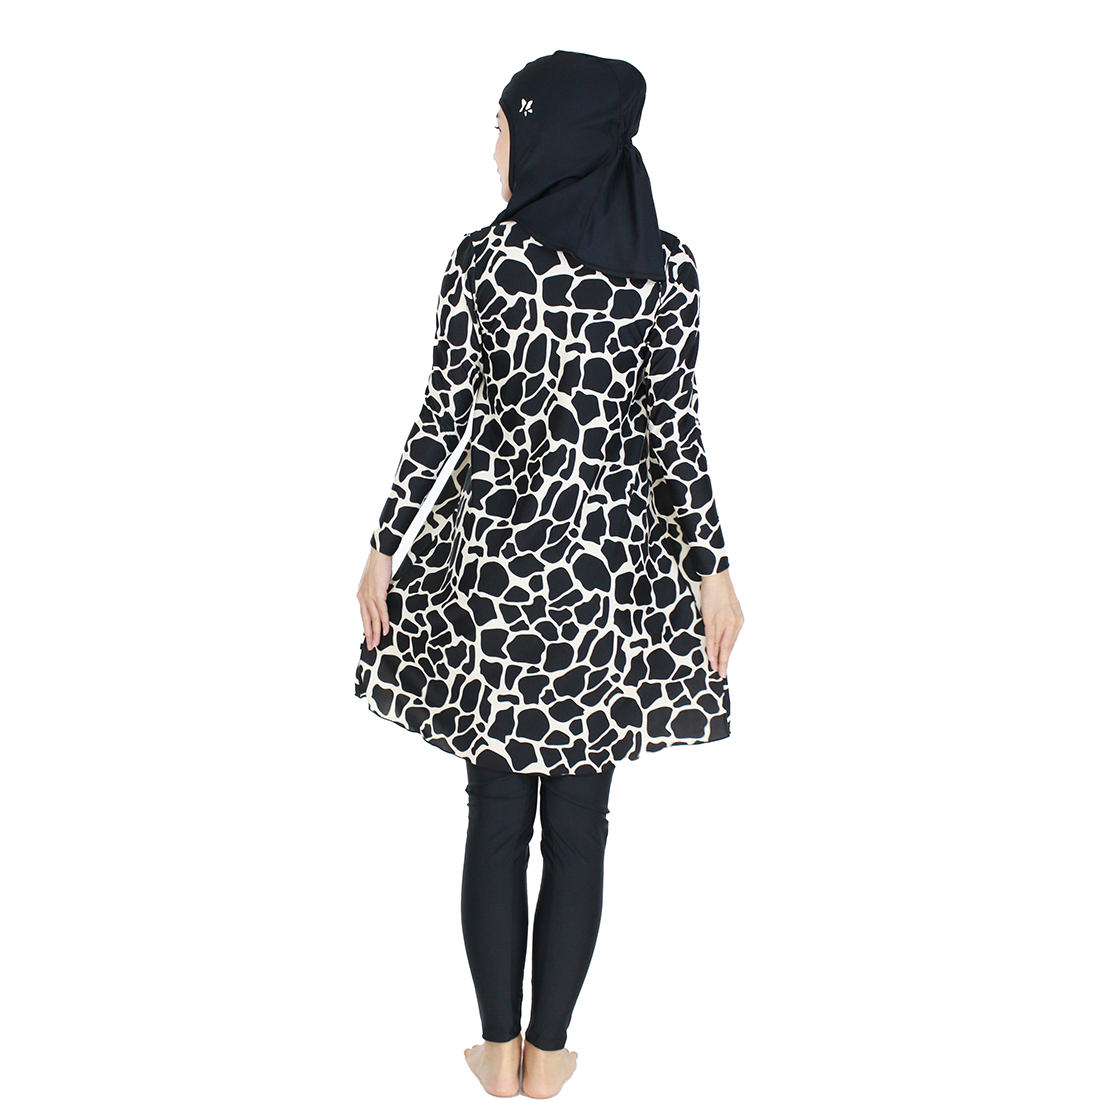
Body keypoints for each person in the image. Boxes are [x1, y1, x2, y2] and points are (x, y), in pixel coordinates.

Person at [355, 50, 744, 1099]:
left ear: (551, 131)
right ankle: (549, 1052)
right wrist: (710, 568)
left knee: (496, 814)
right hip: (604, 579)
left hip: (493, 570)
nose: (494, 148)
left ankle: (497, 1052)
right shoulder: (664, 267)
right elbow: (670, 435)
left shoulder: (486, 262)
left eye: (502, 126)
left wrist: (385, 544)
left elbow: (444, 416)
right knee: (579, 823)